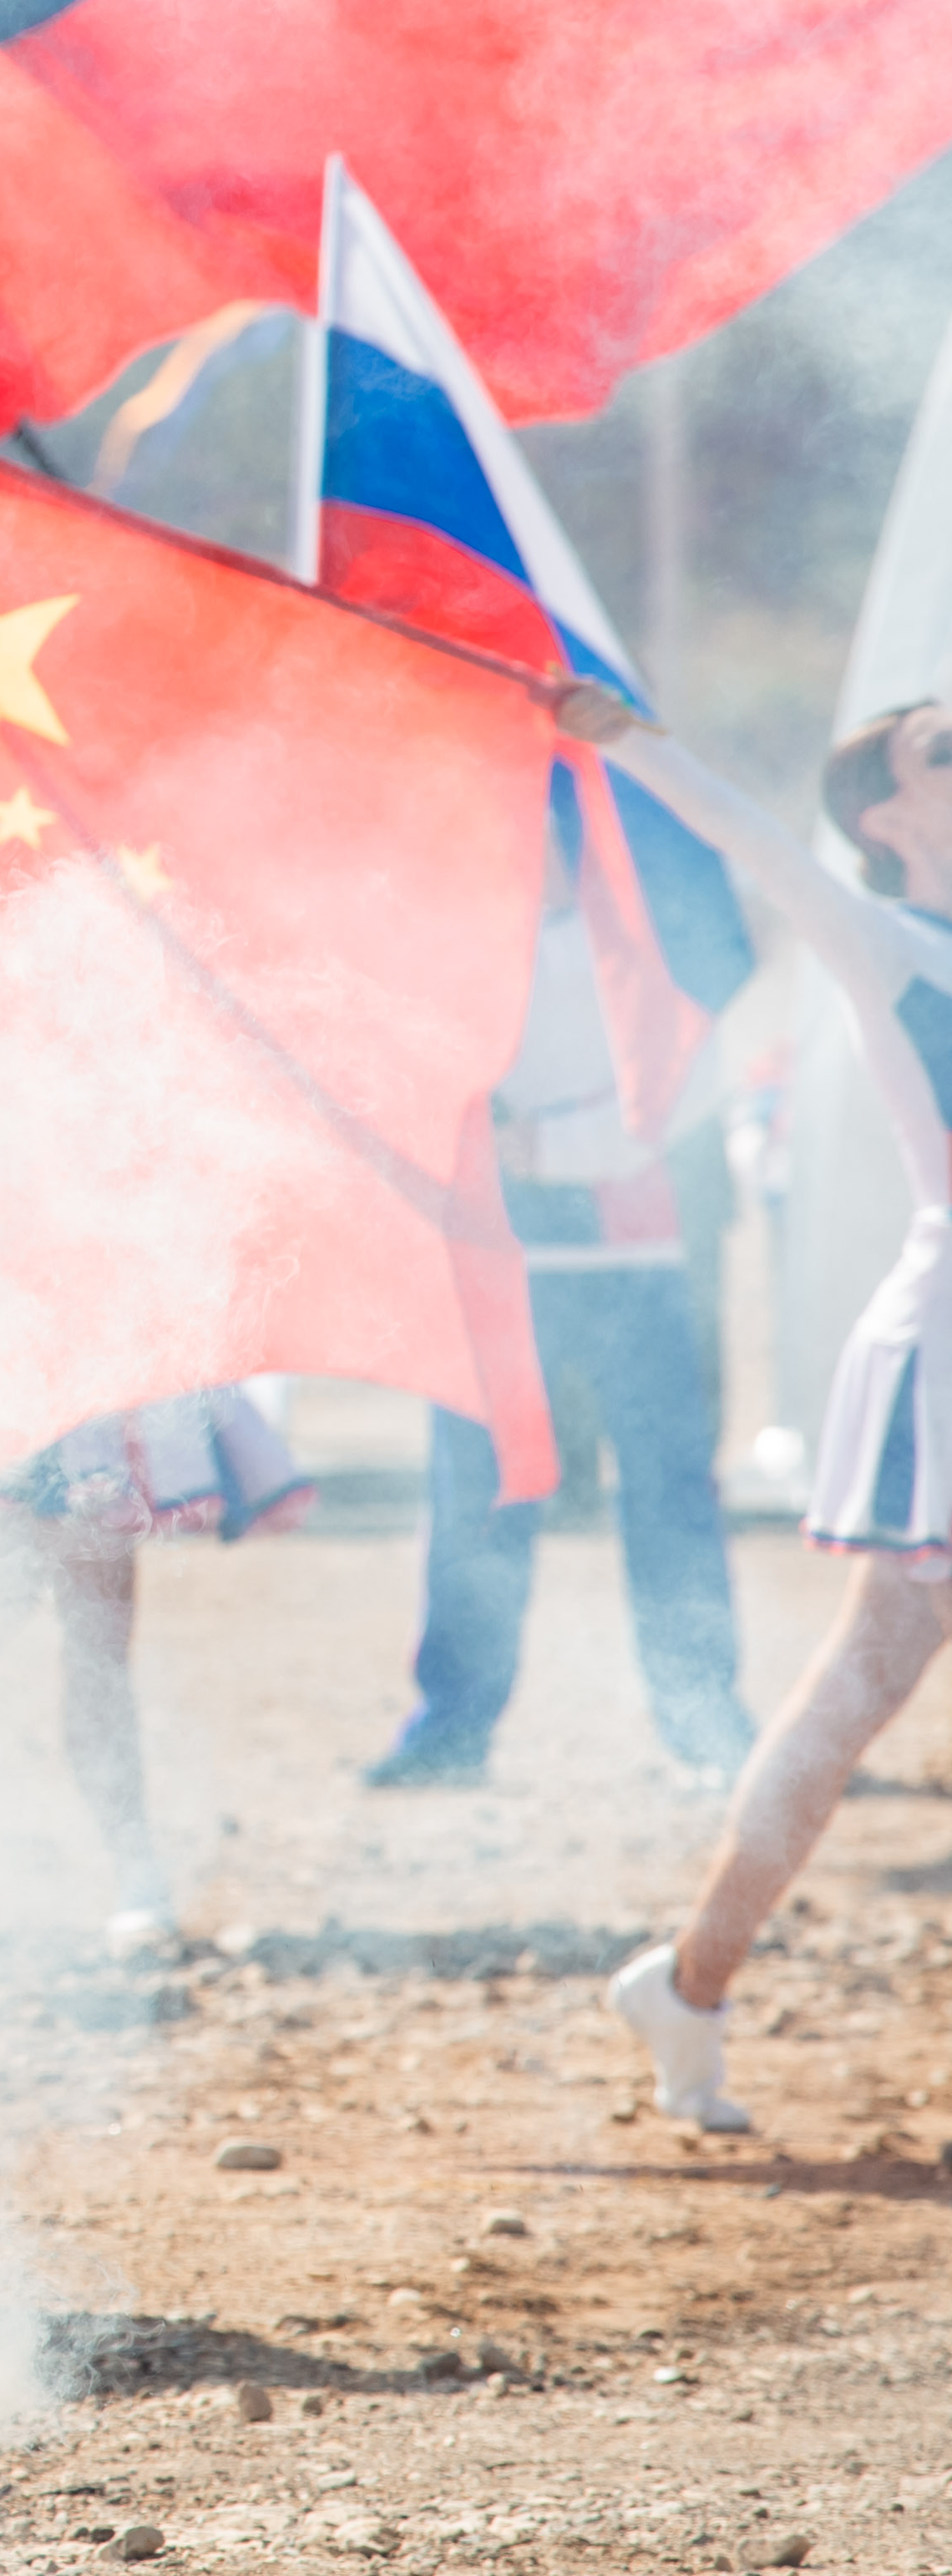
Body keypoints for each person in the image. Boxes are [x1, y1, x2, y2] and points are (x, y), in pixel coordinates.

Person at [600, 707, 952, 2131]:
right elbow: (749, 838)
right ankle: (687, 1980)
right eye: (947, 750)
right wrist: (627, 741)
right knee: (855, 1692)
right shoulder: (889, 941)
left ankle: (684, 1985)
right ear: (882, 815)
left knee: (851, 1690)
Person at [368, 821, 753, 1788]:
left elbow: (682, 1083)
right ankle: (453, 1725)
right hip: (496, 1263)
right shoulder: (445, 948)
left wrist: (548, 1152)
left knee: (667, 1490)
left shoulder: (631, 940)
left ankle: (705, 1722)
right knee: (479, 1499)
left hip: (635, 1252)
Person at [0, 1394, 311, 1949]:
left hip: (96, 1379)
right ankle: (131, 1866)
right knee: (58, 1607)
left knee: (18, 1597)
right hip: (76, 1383)